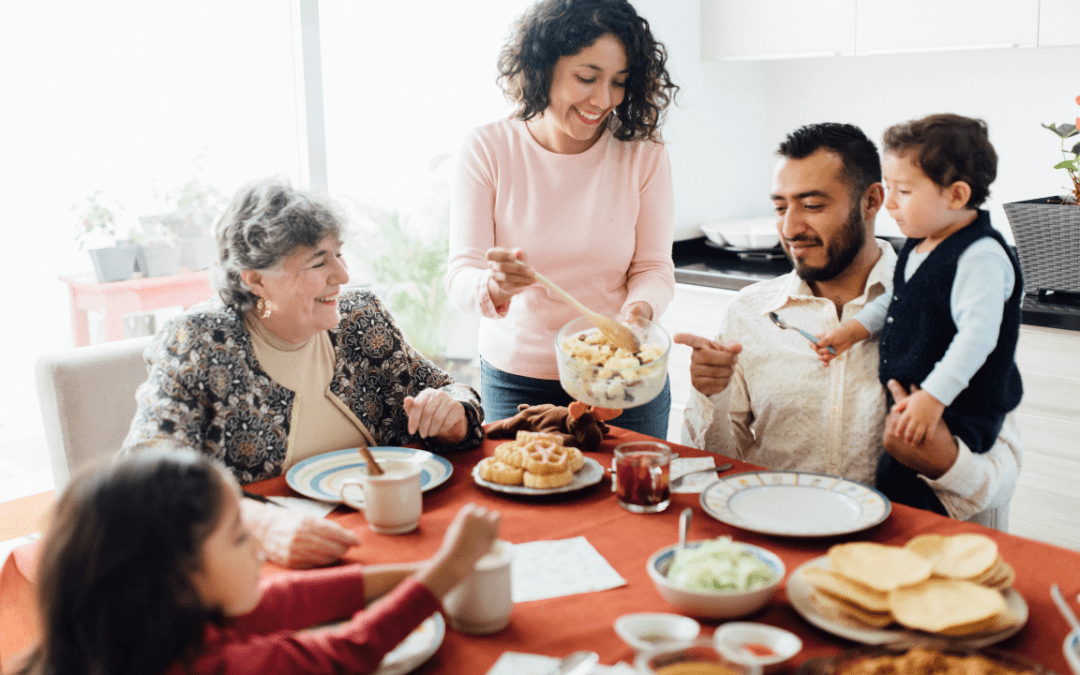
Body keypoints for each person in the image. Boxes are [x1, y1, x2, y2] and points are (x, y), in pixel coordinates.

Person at [122, 176, 485, 568]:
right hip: (267, 558)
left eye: (339, 254)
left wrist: (454, 417)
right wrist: (259, 525)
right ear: (256, 279)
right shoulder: (199, 342)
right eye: (319, 262)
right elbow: (147, 476)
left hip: (397, 534)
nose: (342, 275)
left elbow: (454, 393)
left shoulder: (361, 320)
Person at [675, 123, 1021, 527]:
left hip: (899, 546)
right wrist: (709, 395)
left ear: (872, 200)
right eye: (781, 207)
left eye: (813, 205)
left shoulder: (952, 300)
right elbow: (709, 470)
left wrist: (946, 464)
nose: (790, 229)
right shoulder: (748, 313)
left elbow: (1002, 476)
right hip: (777, 534)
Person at [12, 448, 500, 675]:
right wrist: (446, 573)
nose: (259, 549)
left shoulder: (133, 638)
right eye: (239, 537)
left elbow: (279, 601)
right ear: (177, 577)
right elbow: (346, 653)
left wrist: (419, 570)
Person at [446, 0, 679, 438]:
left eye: (619, 83)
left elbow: (653, 268)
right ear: (541, 67)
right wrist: (493, 286)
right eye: (587, 78)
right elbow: (460, 277)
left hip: (621, 378)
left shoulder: (644, 153)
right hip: (518, 377)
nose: (603, 99)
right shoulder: (488, 149)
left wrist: (638, 313)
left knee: (628, 502)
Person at [813, 115, 1023, 515]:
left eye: (903, 190)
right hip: (923, 399)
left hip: (963, 405)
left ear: (957, 195)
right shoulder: (920, 243)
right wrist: (854, 330)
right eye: (889, 188)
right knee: (894, 478)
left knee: (922, 490)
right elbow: (898, 297)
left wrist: (933, 398)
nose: (889, 202)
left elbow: (977, 337)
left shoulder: (981, 256)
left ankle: (929, 543)